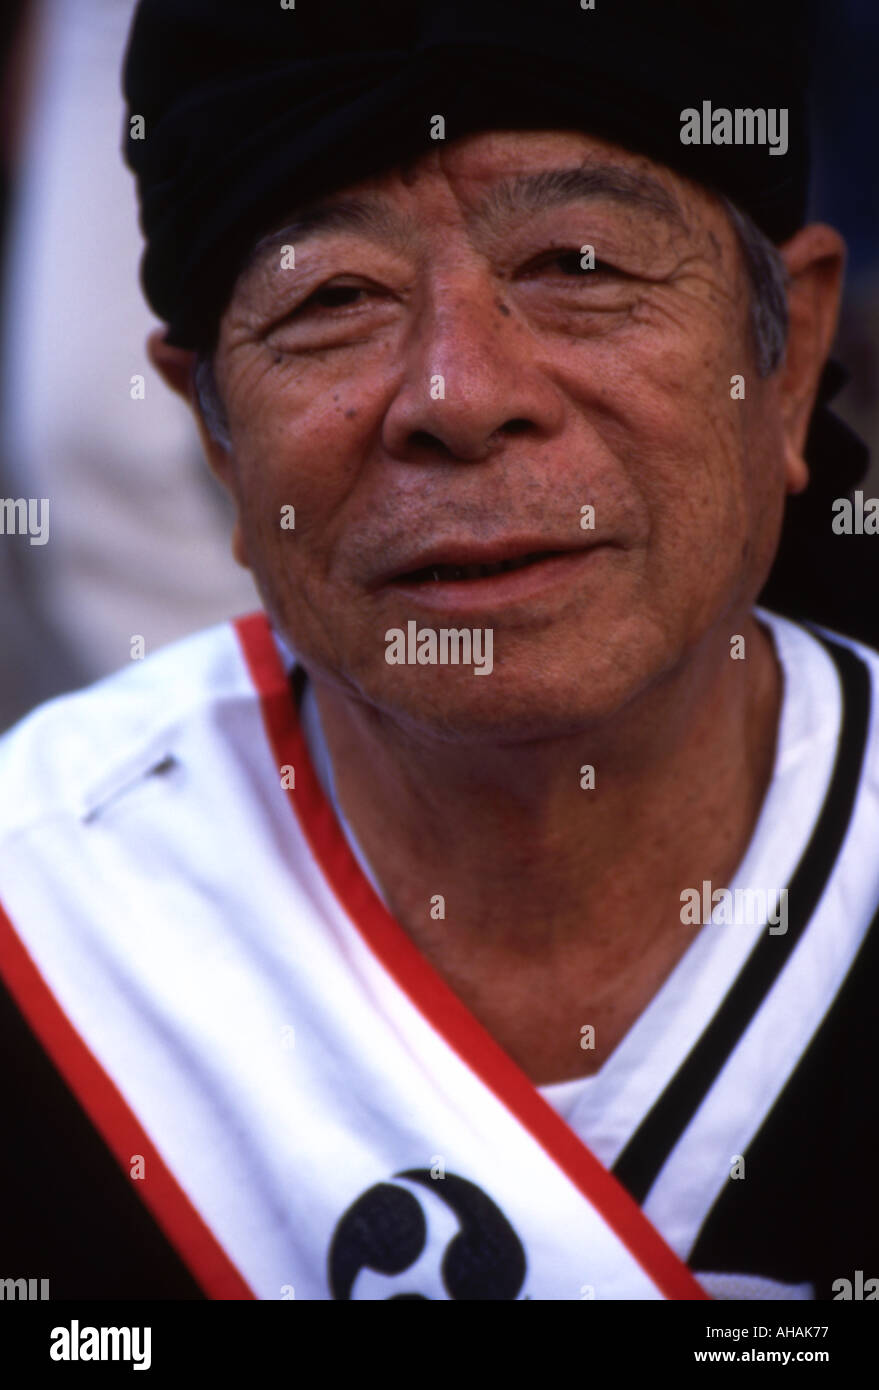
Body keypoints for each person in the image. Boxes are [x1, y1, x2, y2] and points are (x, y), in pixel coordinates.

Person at [0, 0, 875, 1302]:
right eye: (336, 297)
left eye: (579, 264)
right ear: (218, 444)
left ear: (789, 360)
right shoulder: (48, 906)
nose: (460, 396)